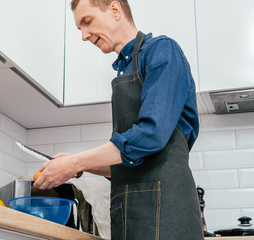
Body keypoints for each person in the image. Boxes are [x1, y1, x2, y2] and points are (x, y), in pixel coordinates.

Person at [33, 0, 204, 239]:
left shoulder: (162, 50)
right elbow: (131, 164)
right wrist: (80, 166)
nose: (83, 35)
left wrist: (76, 163)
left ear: (115, 9)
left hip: (167, 216)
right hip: (131, 218)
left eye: (87, 21)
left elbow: (150, 135)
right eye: (79, 28)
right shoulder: (124, 70)